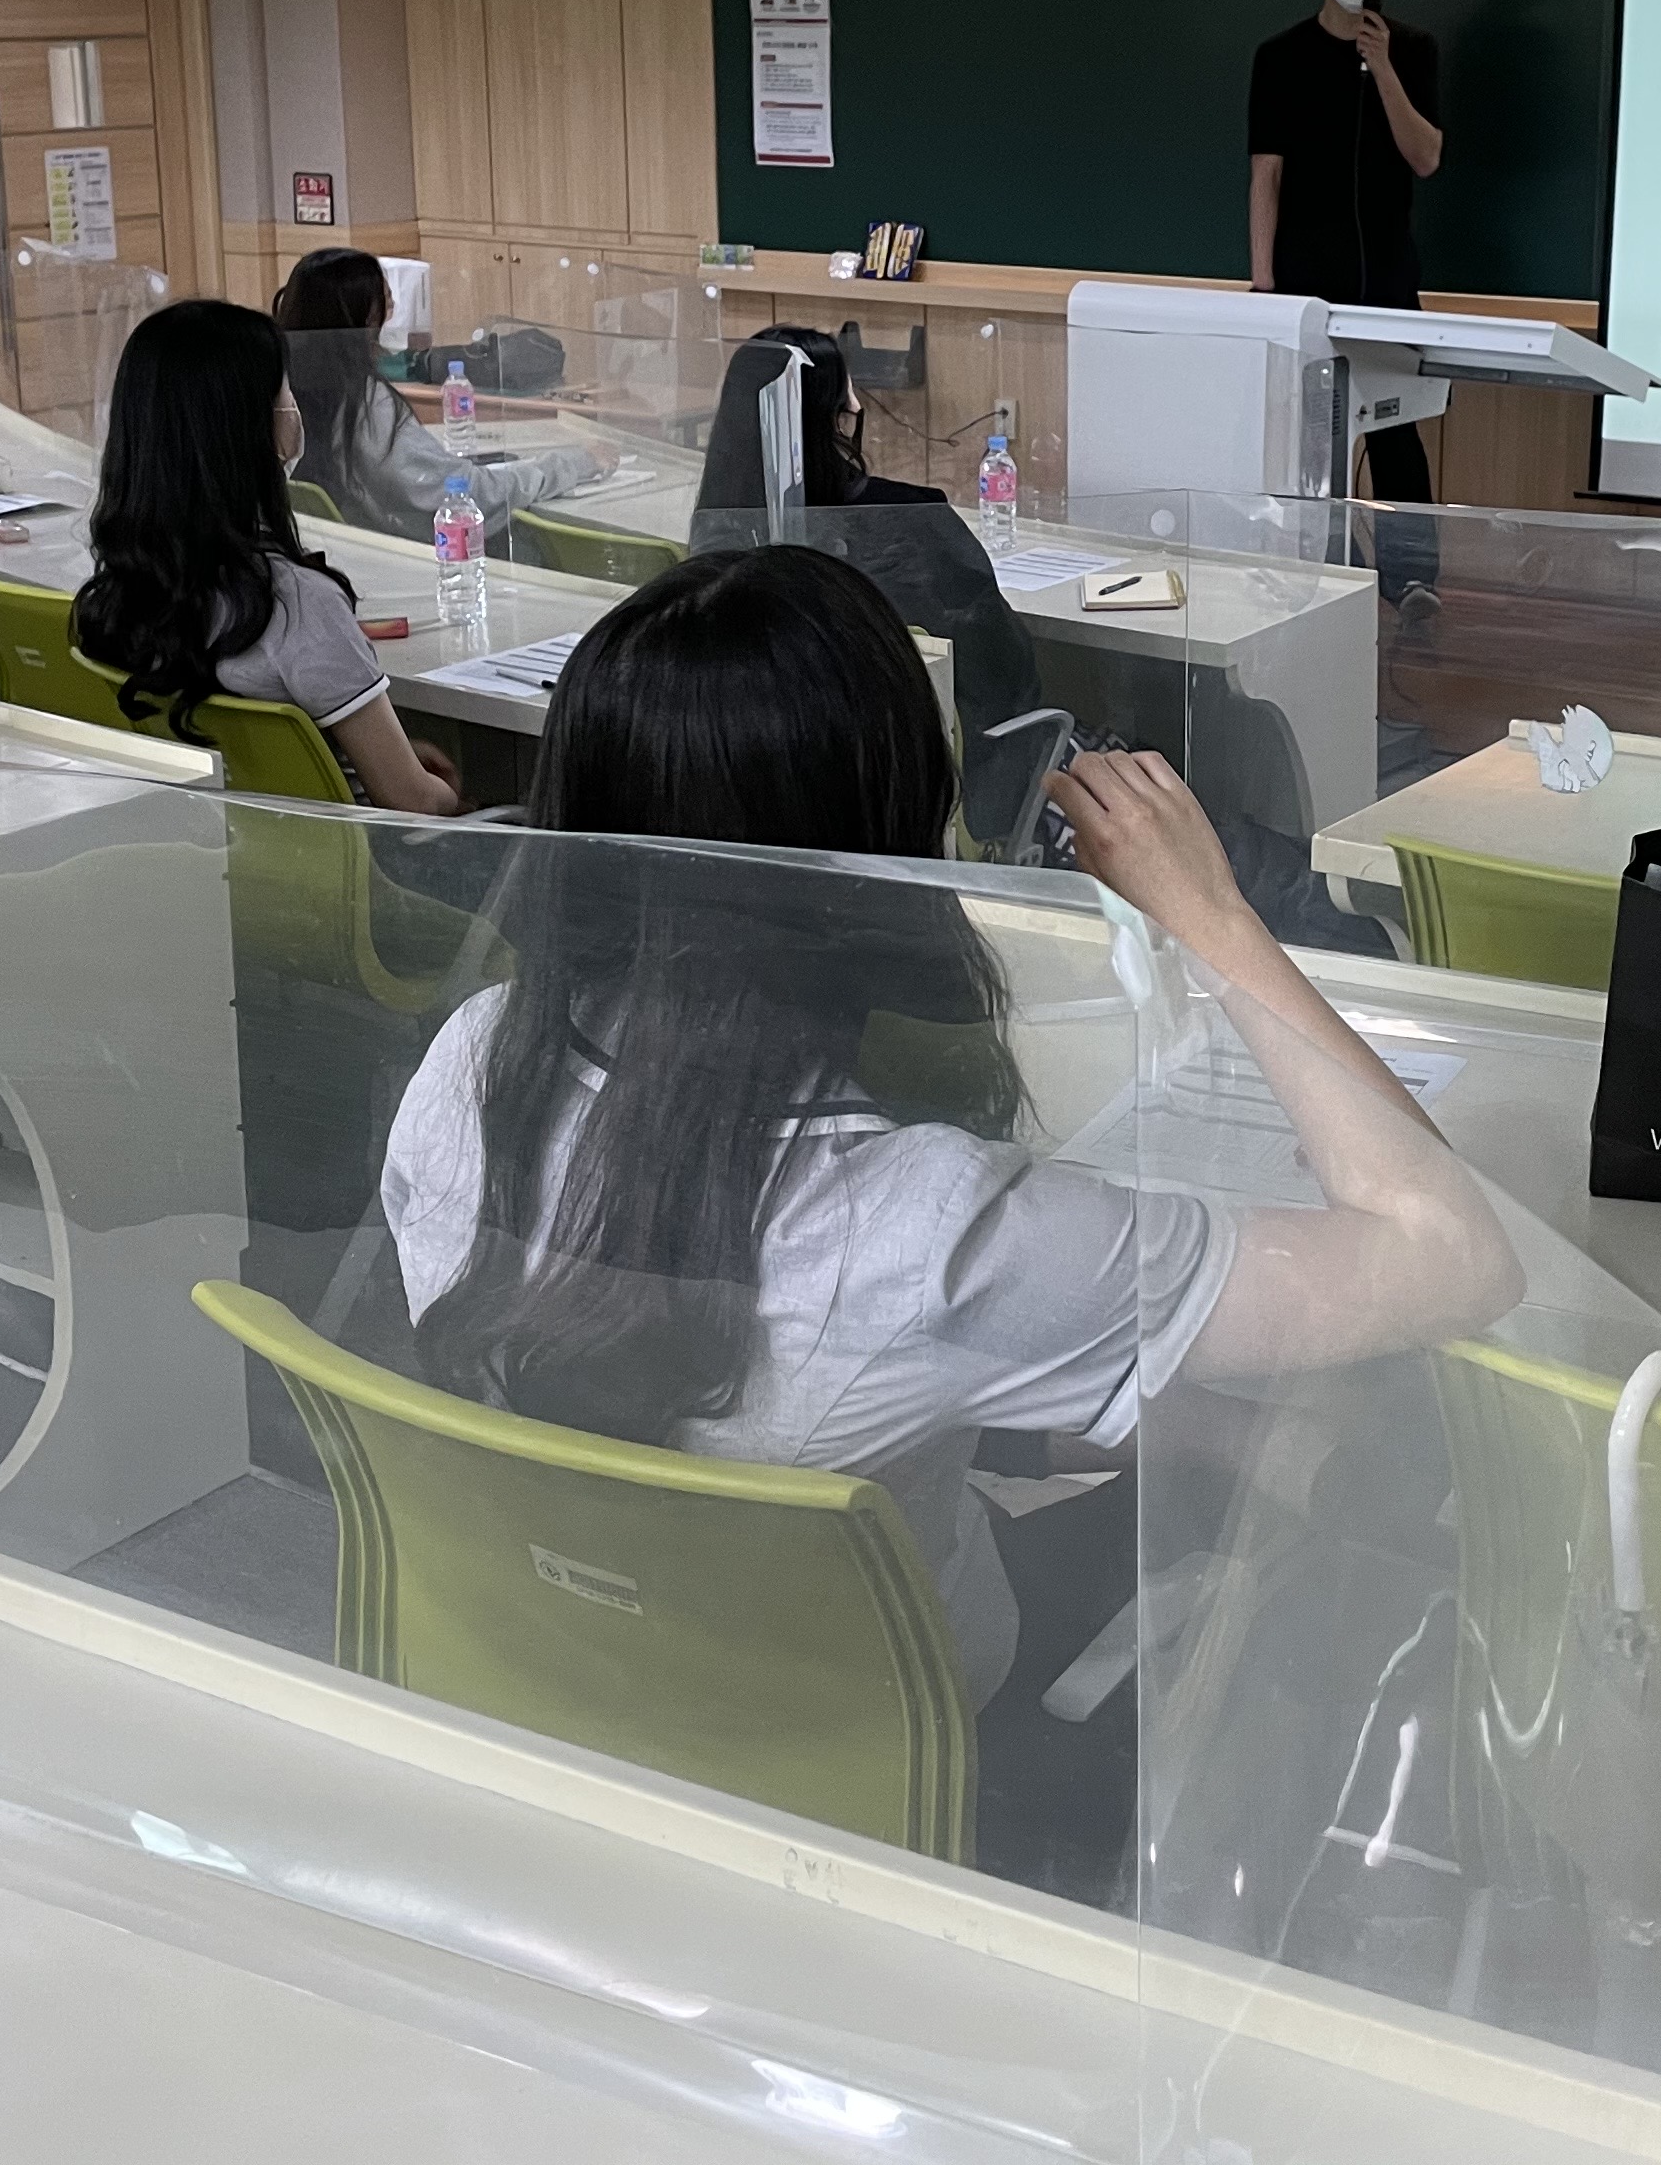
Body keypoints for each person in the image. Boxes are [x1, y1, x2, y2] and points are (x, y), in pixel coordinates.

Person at [380, 542, 1523, 1718]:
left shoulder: (473, 1062)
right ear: (884, 846)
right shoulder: (935, 1231)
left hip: (563, 1665)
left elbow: (740, 1381)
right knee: (1327, 1448)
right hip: (888, 1724)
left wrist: (1200, 1436)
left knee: (1213, 1433)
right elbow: (1453, 1258)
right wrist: (1211, 911)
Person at [70, 297, 462, 816]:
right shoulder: (298, 606)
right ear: (251, 427)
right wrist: (462, 797)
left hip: (216, 847)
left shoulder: (120, 593)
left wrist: (375, 754)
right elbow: (414, 801)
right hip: (347, 859)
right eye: (285, 389)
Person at [688, 325, 1046, 850]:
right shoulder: (916, 523)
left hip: (769, 812)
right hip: (918, 805)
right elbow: (1007, 677)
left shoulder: (715, 547)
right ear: (842, 412)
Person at [1246, 0, 1444, 502]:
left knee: (1396, 434)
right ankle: (1324, 553)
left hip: (1386, 272)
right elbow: (1266, 176)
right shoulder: (1280, 57)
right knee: (1310, 438)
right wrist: (1264, 287)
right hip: (1305, 273)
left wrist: (1382, 67)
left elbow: (1426, 158)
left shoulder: (1413, 48)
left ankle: (1412, 560)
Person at [266, 246, 604, 542]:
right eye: (387, 303)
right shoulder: (365, 403)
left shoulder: (279, 385)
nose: (393, 310)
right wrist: (571, 465)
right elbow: (465, 494)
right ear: (365, 318)